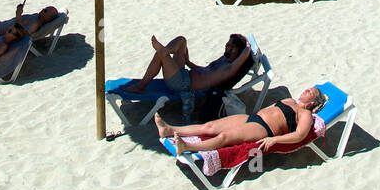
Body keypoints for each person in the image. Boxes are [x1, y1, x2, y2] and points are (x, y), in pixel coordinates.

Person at [154, 86, 327, 155]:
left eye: (310, 92)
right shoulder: (290, 101)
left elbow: (299, 135)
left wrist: (274, 139)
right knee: (209, 126)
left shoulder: (305, 114)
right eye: (308, 89)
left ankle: (188, 147)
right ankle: (169, 129)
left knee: (224, 137)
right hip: (252, 118)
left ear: (313, 102)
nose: (306, 91)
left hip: (265, 129)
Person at [119, 33, 253, 105]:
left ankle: (141, 86)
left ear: (239, 52)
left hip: (182, 85)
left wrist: (247, 48)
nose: (226, 47)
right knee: (181, 40)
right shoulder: (224, 59)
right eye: (227, 44)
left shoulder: (230, 69)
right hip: (185, 74)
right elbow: (206, 70)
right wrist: (189, 62)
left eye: (231, 46)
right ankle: (165, 50)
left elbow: (245, 52)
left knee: (161, 55)